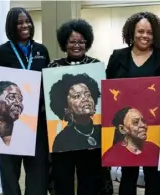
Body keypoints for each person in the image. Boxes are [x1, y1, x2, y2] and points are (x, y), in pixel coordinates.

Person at [105, 11, 160, 195]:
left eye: (149, 32)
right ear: (131, 33)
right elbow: (108, 88)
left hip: (155, 125)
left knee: (153, 173)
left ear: (156, 35)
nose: (145, 36)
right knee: (128, 172)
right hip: (127, 126)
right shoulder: (117, 57)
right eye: (140, 31)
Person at [0, 7, 50, 195]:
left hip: (36, 124)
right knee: (9, 176)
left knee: (37, 175)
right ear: (12, 27)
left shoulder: (41, 51)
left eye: (28, 21)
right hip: (9, 124)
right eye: (20, 22)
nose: (25, 25)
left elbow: (48, 83)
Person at [47, 19, 113, 195]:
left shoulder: (96, 66)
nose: (77, 45)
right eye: (72, 41)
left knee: (90, 182)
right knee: (63, 181)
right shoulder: (54, 67)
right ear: (64, 43)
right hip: (63, 145)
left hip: (93, 142)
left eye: (81, 41)